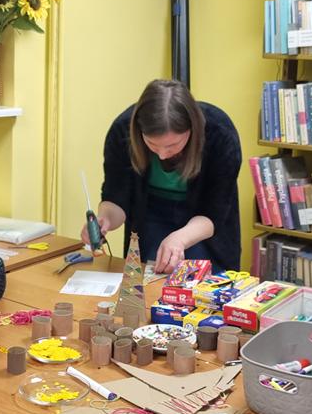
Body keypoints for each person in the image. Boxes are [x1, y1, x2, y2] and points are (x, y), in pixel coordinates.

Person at [85, 79, 242, 272]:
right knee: (149, 289)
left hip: (203, 228)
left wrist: (180, 238)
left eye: (172, 145)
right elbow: (116, 196)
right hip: (150, 217)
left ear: (191, 130)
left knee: (206, 293)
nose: (162, 154)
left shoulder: (220, 134)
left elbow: (214, 212)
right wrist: (105, 220)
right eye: (152, 143)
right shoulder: (123, 130)